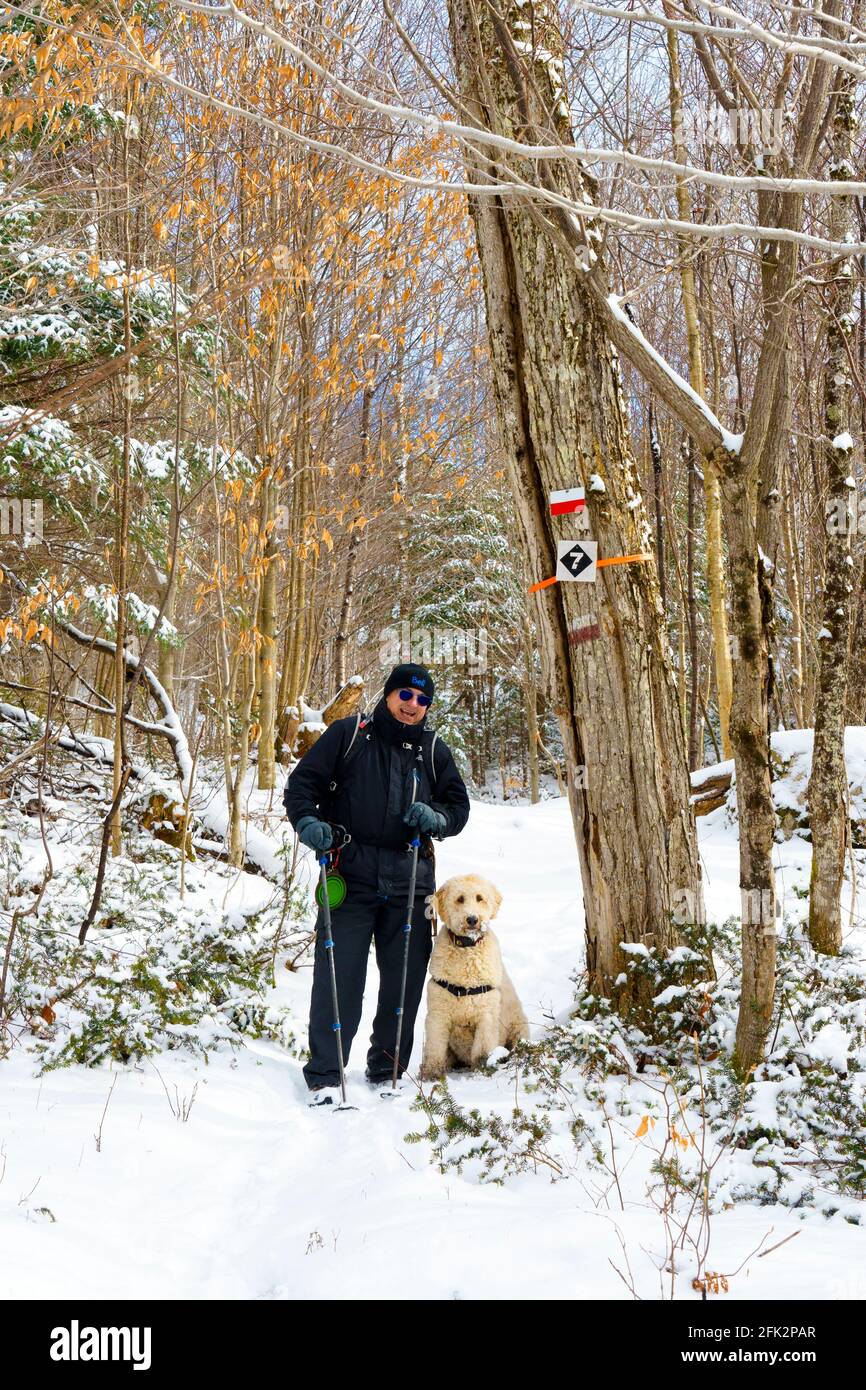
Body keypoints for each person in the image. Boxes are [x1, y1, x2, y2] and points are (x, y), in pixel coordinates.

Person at [283, 662, 471, 1103]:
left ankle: (387, 1069)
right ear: (388, 695)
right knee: (339, 976)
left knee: (402, 983)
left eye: (423, 700)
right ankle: (327, 1075)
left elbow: (458, 807)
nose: (413, 706)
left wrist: (437, 818)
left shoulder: (432, 750)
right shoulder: (349, 736)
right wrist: (309, 821)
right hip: (350, 873)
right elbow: (301, 786)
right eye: (405, 695)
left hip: (410, 882)